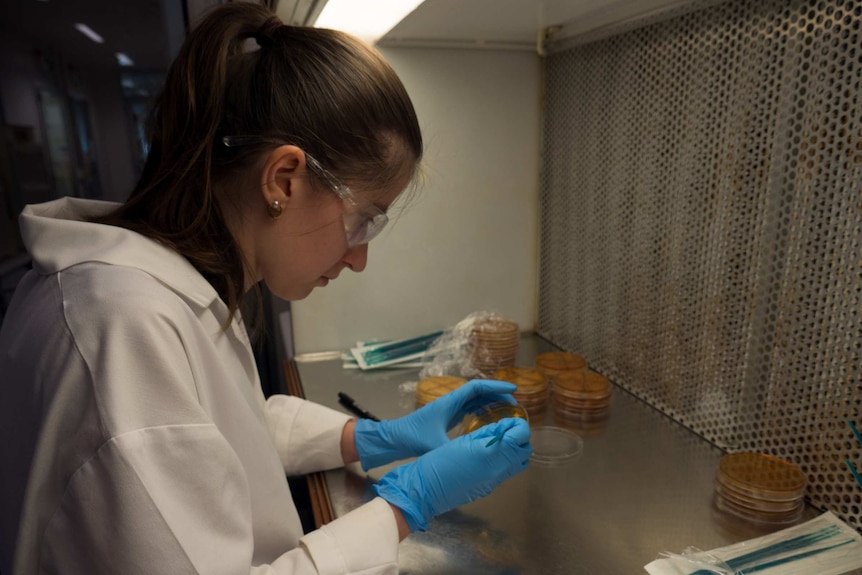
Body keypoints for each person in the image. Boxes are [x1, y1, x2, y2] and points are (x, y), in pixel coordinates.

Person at [0, 3, 532, 574]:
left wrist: (369, 438)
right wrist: (406, 506)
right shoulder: (121, 327)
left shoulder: (166, 290)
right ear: (283, 179)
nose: (359, 258)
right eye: (364, 221)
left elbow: (209, 440)